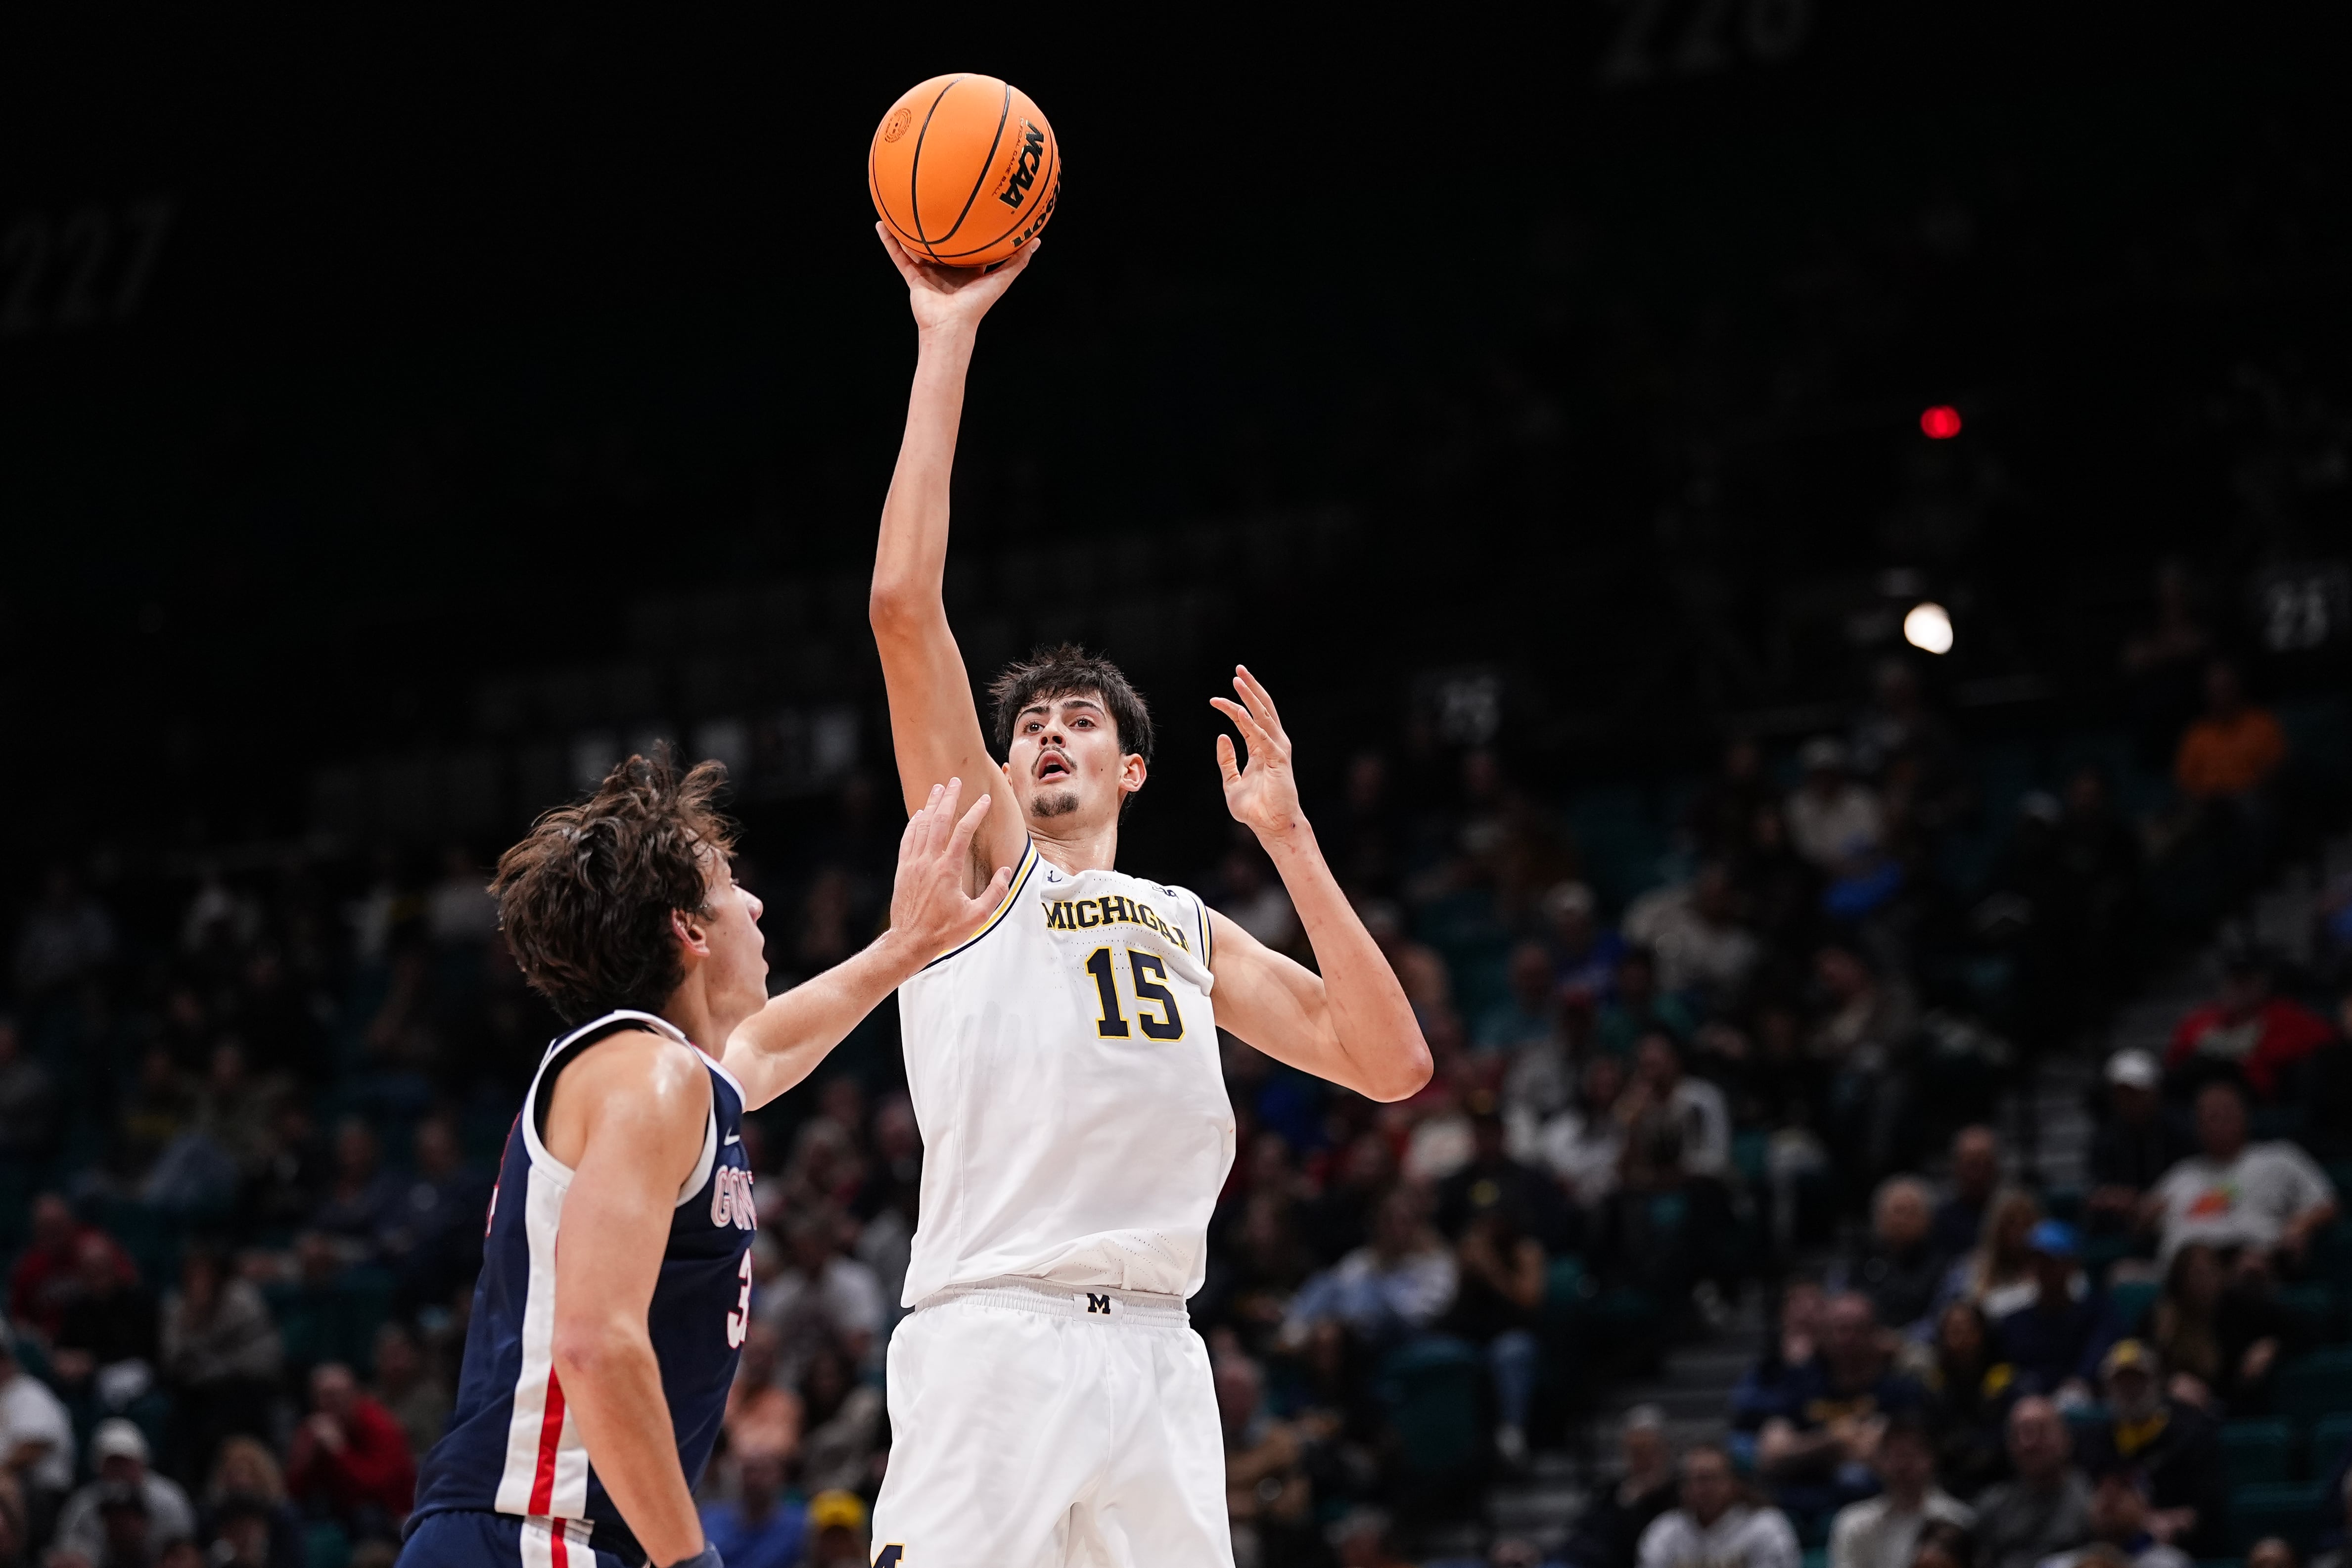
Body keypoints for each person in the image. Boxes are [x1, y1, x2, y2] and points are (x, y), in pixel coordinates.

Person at [861, 227, 1432, 1568]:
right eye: (1028, 729)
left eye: (1078, 722)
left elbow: (1392, 1062)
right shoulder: (981, 872)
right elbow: (901, 602)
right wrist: (945, 339)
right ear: (999, 769)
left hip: (1160, 1353)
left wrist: (1291, 843)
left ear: (1133, 765)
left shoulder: (1186, 920)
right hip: (993, 1339)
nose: (1048, 736)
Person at [398, 756, 1005, 1568]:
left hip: (555, 1535)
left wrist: (907, 948)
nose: (756, 903)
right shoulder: (651, 1076)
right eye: (730, 886)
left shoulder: (654, 1073)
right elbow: (594, 1343)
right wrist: (689, 1560)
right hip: (538, 1533)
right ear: (687, 929)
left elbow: (767, 1046)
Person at [1755, 1293, 1922, 1513]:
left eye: (1857, 1329)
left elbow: (1897, 1460)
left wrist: (1803, 1447)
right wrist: (1835, 1440)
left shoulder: (1900, 1390)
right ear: (1824, 1335)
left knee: (1853, 1478)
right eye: (1840, 1329)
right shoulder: (1801, 1382)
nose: (1848, 1339)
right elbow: (1771, 1455)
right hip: (1800, 1504)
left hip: (1874, 1507)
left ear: (1875, 1334)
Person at [2142, 1080, 2338, 1268]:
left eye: (2224, 1114)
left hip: (2250, 1260)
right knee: (2123, 1275)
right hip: (2180, 1272)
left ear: (2244, 1115)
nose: (2216, 1122)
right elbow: (2143, 1223)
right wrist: (2143, 1214)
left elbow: (2326, 1204)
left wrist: (2300, 1226)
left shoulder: (2279, 1158)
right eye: (2209, 1117)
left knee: (2247, 1267)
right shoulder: (2181, 1173)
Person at [2073, 1341, 2224, 1558]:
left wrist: (2175, 1521)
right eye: (2121, 1382)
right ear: (2108, 1389)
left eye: (2137, 1380)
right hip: (2106, 1548)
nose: (2130, 1390)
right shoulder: (2094, 1442)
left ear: (2157, 1382)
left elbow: (2208, 1505)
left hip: (2171, 1549)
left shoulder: (2190, 1435)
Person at [2142, 1242, 2297, 1414]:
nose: (2205, 1282)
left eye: (2210, 1272)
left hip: (2240, 1411)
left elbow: (2301, 1327)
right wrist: (2168, 1382)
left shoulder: (2241, 1305)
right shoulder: (2161, 1318)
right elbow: (2137, 1358)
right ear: (2180, 1282)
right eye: (2196, 1275)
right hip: (2178, 1417)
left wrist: (2272, 1345)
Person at [2162, 959, 2334, 1102]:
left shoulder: (2283, 1016)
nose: (2240, 990)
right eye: (2234, 982)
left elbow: (2326, 1037)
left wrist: (2258, 1056)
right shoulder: (2204, 1019)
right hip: (2200, 1090)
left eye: (2246, 982)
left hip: (2254, 1092)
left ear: (2263, 984)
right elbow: (2177, 1057)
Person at [287, 1362, 416, 1541]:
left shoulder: (380, 1426)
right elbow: (294, 1492)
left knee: (367, 1515)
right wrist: (307, 1459)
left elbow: (377, 1488)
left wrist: (339, 1451)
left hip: (390, 1513)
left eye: (337, 1395)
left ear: (354, 1394)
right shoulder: (314, 1429)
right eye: (323, 1397)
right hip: (337, 1511)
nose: (332, 1403)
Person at [1827, 1416, 1973, 1568]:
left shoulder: (1958, 1520)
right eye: (1895, 1454)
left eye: (1911, 1454)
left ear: (1932, 1457)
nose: (1903, 1465)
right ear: (1880, 1460)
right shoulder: (1853, 1523)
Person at [1972, 1398, 2094, 1568]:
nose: (2028, 1444)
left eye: (2040, 1432)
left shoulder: (2092, 1504)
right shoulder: (1992, 1507)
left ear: (2066, 1439)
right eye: (2018, 1434)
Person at [1637, 1444, 1800, 1568]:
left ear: (1732, 1482)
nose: (1700, 1489)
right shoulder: (1664, 1532)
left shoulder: (1765, 1526)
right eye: (1692, 1480)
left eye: (1709, 1479)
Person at [1918, 1301, 2017, 1500]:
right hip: (1946, 1481)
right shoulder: (1934, 1385)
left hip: (1998, 1481)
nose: (1960, 1339)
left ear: (1982, 1333)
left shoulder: (2004, 1380)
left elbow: (2003, 1441)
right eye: (1952, 1331)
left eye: (1967, 1330)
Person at [1563, 1406, 1680, 1568]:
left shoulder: (1684, 1493)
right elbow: (1584, 1540)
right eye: (1636, 1453)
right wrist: (1626, 1504)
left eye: (1649, 1451)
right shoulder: (1612, 1495)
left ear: (1666, 1450)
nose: (1643, 1461)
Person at [2084, 1054, 2190, 1231]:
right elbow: (2099, 1191)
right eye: (2122, 1094)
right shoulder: (2105, 1139)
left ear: (2154, 1093)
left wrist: (2157, 1200)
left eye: (2136, 1093)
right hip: (2122, 1223)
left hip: (2175, 1218)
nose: (2128, 1101)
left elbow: (2193, 1178)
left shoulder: (2180, 1132)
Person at [1994, 1223, 2099, 1398]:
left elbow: (2094, 1362)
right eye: (2037, 1260)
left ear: (2072, 1264)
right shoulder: (2014, 1323)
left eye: (2051, 1261)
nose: (2043, 1268)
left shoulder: (2094, 1316)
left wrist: (2081, 1381)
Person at [2035, 1464, 2192, 1568]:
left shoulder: (2170, 1564)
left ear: (2144, 1505)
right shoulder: (2057, 1565)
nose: (2109, 1498)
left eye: (2122, 1489)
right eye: (2101, 1489)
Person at [1854, 1177, 1945, 1334]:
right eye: (1897, 1212)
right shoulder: (1861, 1258)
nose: (1902, 1220)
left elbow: (1939, 1315)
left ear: (1928, 1220)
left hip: (1918, 1344)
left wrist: (1902, 1339)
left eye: (1911, 1213)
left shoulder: (1941, 1264)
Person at [694, 1451, 803, 1568]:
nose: (755, 1479)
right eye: (749, 1471)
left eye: (764, 1472)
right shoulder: (710, 1518)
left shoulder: (799, 1525)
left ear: (781, 1476)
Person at [1934, 1128, 2004, 1265]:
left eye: (1985, 1164)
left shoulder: (2011, 1217)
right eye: (1972, 1164)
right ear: (1956, 1167)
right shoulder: (1940, 1221)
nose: (1978, 1173)